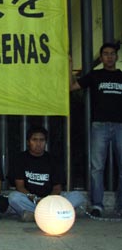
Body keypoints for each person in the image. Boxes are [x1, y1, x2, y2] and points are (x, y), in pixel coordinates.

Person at [70, 42, 122, 217]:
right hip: (99, 126)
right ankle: (98, 205)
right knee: (97, 168)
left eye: (112, 53)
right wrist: (69, 66)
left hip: (120, 126)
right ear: (101, 58)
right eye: (106, 54)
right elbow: (73, 87)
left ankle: (120, 206)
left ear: (117, 56)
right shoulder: (95, 75)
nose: (109, 56)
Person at [8, 126, 85, 221]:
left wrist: (48, 201)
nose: (38, 143)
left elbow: (57, 188)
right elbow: (20, 187)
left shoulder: (54, 160)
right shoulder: (20, 159)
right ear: (28, 142)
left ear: (45, 142)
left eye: (42, 140)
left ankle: (36, 216)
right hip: (31, 200)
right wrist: (35, 198)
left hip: (50, 200)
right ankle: (52, 215)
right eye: (34, 140)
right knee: (14, 197)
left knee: (77, 196)